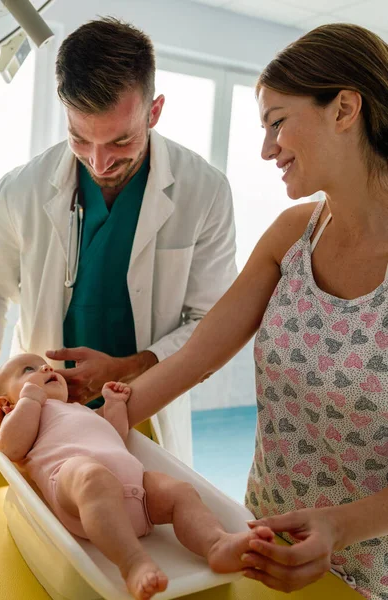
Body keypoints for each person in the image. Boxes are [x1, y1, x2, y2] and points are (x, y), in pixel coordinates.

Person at [116, 23, 388, 600]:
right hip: (263, 544)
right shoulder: (293, 235)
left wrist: (340, 526)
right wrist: (94, 422)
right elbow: (196, 357)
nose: (267, 149)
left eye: (277, 122)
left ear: (344, 108)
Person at [0, 17, 237, 464]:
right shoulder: (19, 189)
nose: (99, 162)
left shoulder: (204, 191)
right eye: (80, 138)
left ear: (153, 112)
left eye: (121, 141)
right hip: (40, 418)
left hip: (146, 411)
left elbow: (214, 319)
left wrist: (133, 367)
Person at [0, 353, 274, 600]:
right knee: (93, 477)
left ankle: (215, 543)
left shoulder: (78, 410)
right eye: (29, 370)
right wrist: (28, 401)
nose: (46, 369)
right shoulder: (26, 416)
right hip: (78, 491)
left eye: (44, 364)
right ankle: (133, 563)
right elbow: (9, 446)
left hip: (134, 487)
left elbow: (115, 435)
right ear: (6, 405)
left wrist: (113, 405)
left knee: (179, 492)